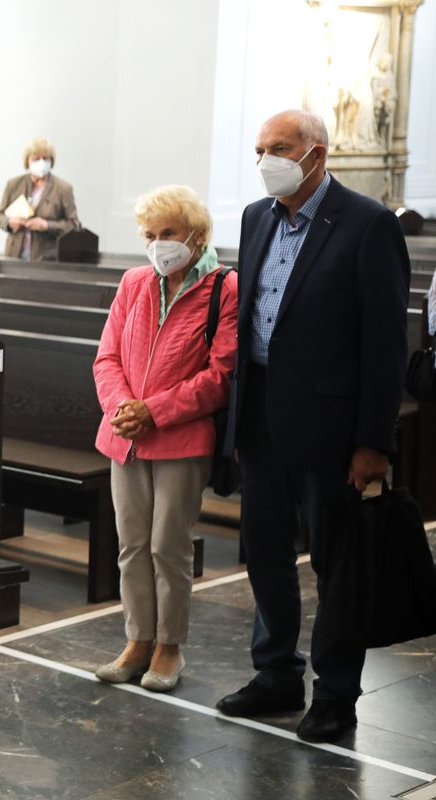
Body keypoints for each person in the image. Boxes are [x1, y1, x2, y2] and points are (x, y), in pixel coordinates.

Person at [216, 110, 410, 743]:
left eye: (278, 148)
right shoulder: (256, 217)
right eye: (259, 148)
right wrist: (239, 421)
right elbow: (249, 325)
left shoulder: (367, 224)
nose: (265, 158)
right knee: (265, 553)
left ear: (316, 154)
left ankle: (335, 693)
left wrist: (373, 442)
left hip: (332, 427)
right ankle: (276, 673)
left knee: (335, 563)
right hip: (264, 415)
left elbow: (384, 345)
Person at [91, 186, 237, 692]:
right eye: (150, 235)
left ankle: (169, 646)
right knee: (131, 544)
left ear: (196, 236)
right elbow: (106, 357)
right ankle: (138, 641)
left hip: (181, 437)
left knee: (167, 546)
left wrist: (154, 411)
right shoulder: (134, 282)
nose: (158, 244)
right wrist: (122, 410)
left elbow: (220, 375)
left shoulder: (224, 288)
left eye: (168, 234)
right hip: (124, 436)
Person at [0, 137, 81, 261]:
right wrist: (10, 222)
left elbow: (74, 224)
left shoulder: (63, 188)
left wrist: (47, 225)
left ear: (52, 161)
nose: (41, 163)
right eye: (36, 159)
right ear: (27, 161)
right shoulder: (14, 184)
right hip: (14, 256)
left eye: (45, 158)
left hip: (46, 258)